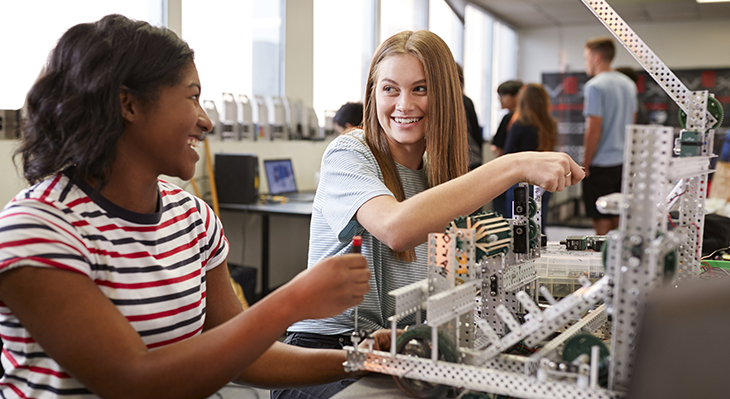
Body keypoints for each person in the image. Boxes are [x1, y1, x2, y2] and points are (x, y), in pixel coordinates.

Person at [0, 14, 388, 399]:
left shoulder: (192, 218)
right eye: (192, 96)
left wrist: (366, 360)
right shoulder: (38, 228)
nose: (205, 121)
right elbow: (131, 381)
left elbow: (245, 357)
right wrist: (291, 301)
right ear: (128, 104)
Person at [274, 30, 584, 399]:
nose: (404, 104)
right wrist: (513, 165)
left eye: (420, 89)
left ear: (445, 96)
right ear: (373, 94)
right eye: (390, 89)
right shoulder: (348, 152)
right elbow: (395, 227)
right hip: (326, 353)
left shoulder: (436, 172)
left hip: (399, 351)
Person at [582, 37, 637, 235]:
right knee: (619, 218)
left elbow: (594, 129)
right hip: (623, 164)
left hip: (601, 165)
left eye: (586, 57)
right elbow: (633, 124)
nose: (585, 62)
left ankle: (604, 264)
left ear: (597, 58)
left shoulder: (594, 86)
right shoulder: (629, 84)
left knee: (601, 223)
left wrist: (585, 164)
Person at [503, 83, 559, 227]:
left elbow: (507, 154)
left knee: (519, 225)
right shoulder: (550, 124)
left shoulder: (519, 124)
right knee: (539, 223)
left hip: (521, 180)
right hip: (544, 177)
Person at [490, 80, 523, 217]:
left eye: (503, 96)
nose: (500, 101)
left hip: (510, 173)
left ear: (516, 96)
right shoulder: (535, 117)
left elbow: (498, 147)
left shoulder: (511, 118)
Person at [456, 64, 483, 171]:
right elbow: (476, 133)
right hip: (472, 158)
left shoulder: (461, 101)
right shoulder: (466, 101)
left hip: (464, 161)